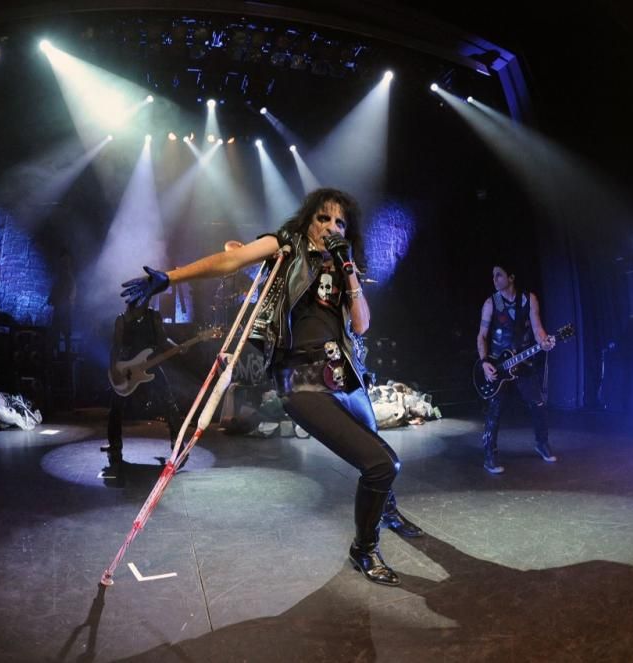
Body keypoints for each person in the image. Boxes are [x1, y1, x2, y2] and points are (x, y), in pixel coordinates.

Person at [121, 188, 422, 587]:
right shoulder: (286, 245)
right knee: (383, 464)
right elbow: (231, 260)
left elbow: (362, 324)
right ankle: (364, 549)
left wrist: (348, 268)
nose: (331, 228)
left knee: (375, 452)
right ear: (308, 221)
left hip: (342, 372)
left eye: (339, 222)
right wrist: (170, 278)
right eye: (323, 218)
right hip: (302, 377)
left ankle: (386, 510)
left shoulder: (342, 264)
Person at [476, 264, 557, 474]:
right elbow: (482, 336)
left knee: (538, 404)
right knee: (495, 410)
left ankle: (542, 443)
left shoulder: (529, 299)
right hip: (499, 365)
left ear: (511, 277)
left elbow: (537, 329)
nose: (494, 279)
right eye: (493, 276)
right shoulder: (491, 303)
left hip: (523, 361)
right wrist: (484, 362)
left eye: (499, 275)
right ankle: (489, 454)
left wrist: (545, 341)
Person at [102, 300, 184, 479]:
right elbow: (116, 345)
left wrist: (176, 347)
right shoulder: (122, 319)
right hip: (127, 367)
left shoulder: (154, 316)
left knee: (169, 402)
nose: (145, 303)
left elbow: (163, 340)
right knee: (116, 406)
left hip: (150, 365)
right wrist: (114, 368)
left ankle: (177, 443)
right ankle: (115, 444)